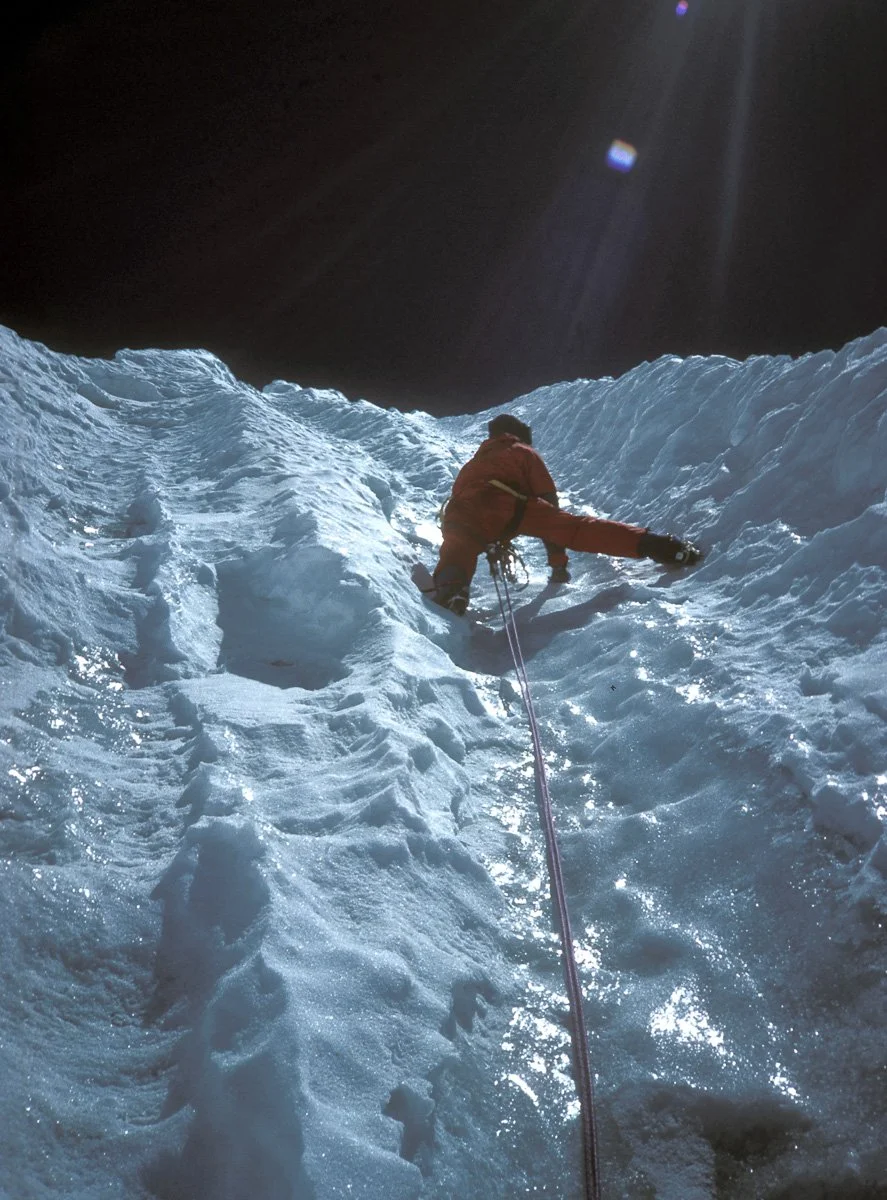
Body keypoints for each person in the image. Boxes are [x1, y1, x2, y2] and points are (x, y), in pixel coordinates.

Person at [431, 413, 703, 614]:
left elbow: (465, 504)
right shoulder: (522, 452)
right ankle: (662, 547)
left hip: (459, 512)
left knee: (458, 549)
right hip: (506, 504)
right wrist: (558, 561)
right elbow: (549, 502)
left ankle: (451, 589)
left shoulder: (473, 463)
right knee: (577, 529)